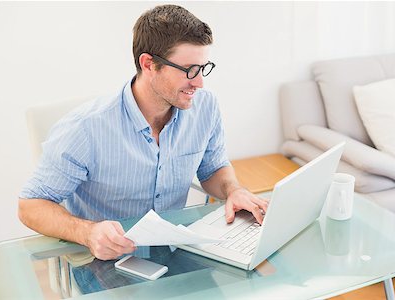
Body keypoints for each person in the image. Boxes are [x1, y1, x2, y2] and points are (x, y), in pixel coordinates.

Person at [18, 4, 267, 261]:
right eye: (190, 70)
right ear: (149, 64)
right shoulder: (86, 128)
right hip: (107, 262)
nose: (199, 82)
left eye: (203, 68)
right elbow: (31, 206)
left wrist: (233, 190)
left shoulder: (205, 107)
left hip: (175, 249)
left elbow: (213, 168)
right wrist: (88, 232)